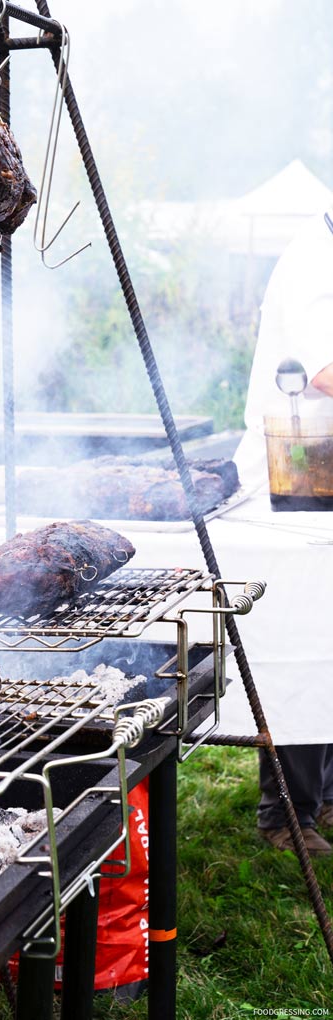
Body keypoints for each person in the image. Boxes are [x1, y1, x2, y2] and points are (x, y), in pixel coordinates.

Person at [233, 209, 333, 856]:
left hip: (321, 471)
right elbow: (325, 373)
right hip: (295, 470)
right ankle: (287, 815)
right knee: (307, 635)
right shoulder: (313, 262)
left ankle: (324, 799)